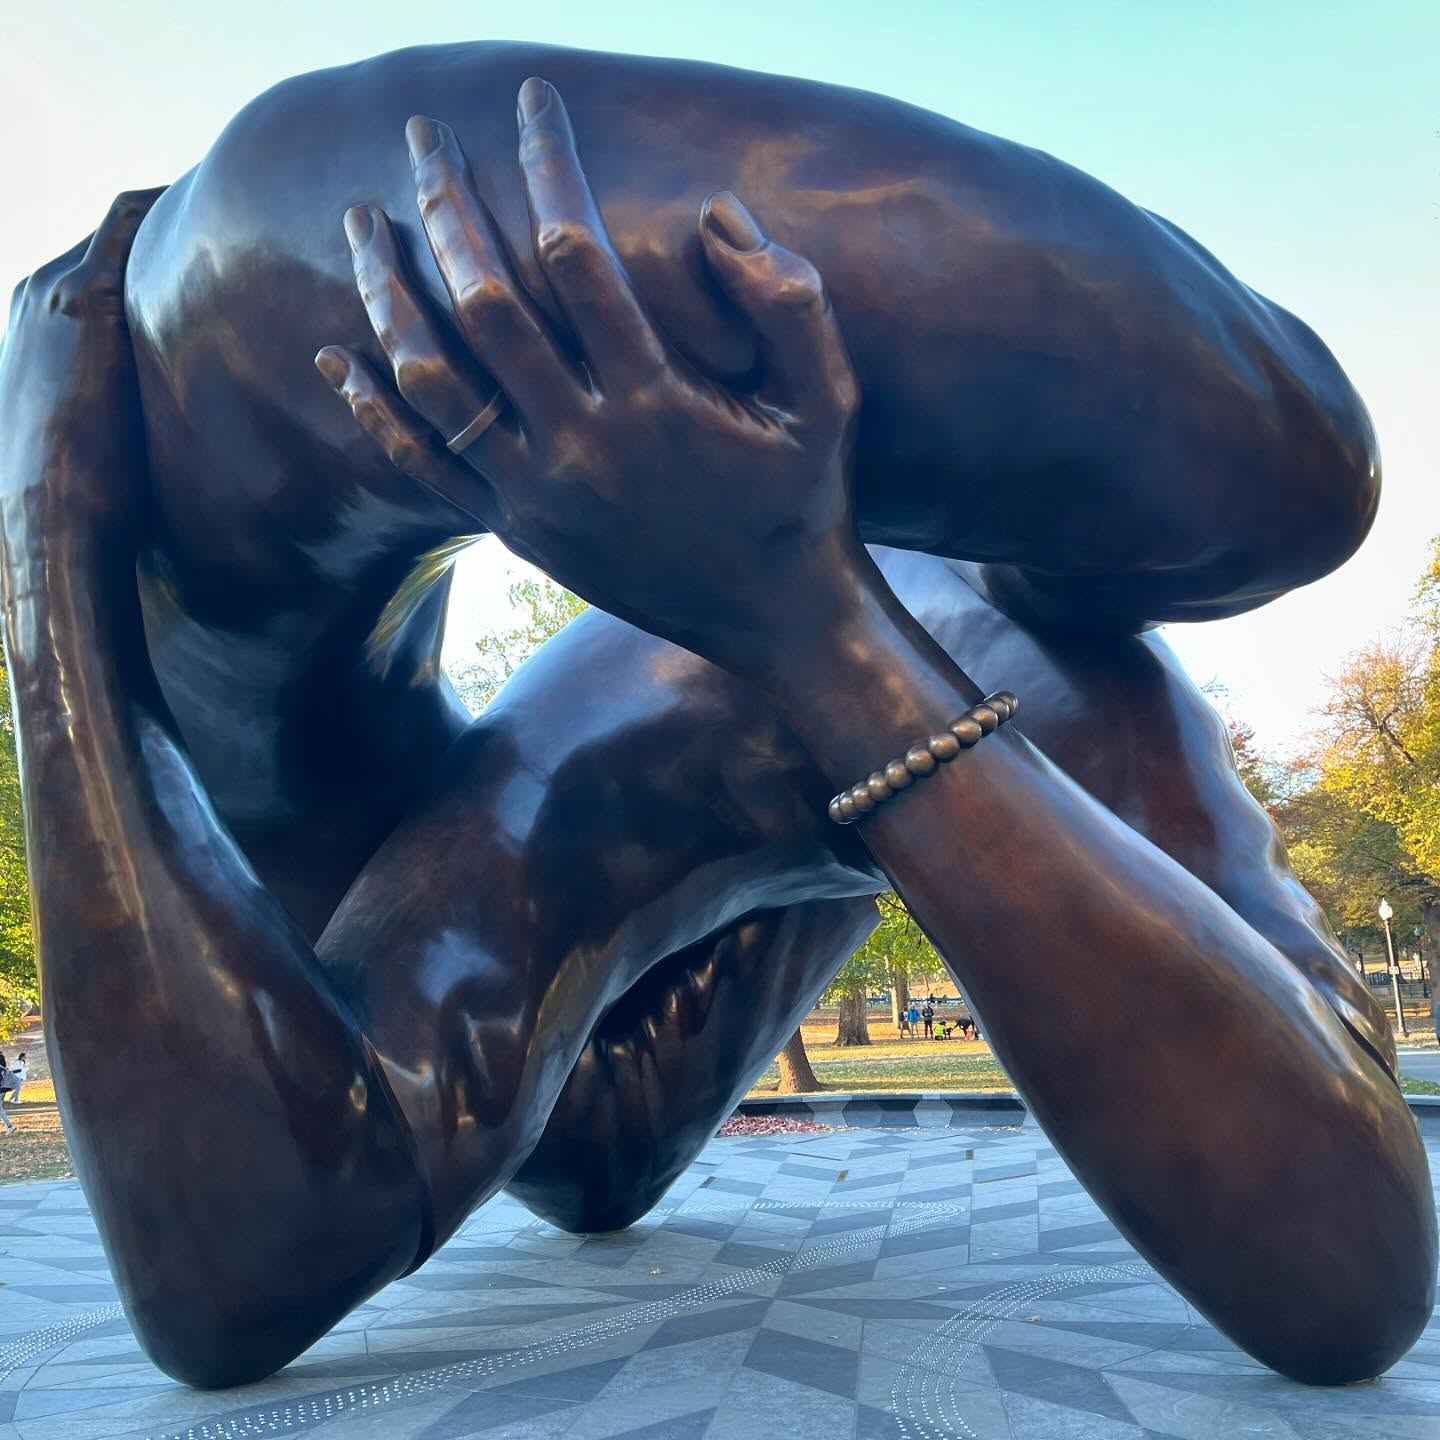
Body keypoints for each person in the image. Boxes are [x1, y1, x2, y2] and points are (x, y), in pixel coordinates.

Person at [1, 68, 1428, 1393]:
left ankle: (858, 786)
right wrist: (51, 568)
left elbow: (1353, 1284)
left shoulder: (1085, 694)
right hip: (602, 832)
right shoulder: (578, 751)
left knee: (1296, 486)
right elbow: (227, 1290)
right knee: (594, 1147)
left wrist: (806, 625)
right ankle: (842, 803)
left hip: (833, 720)